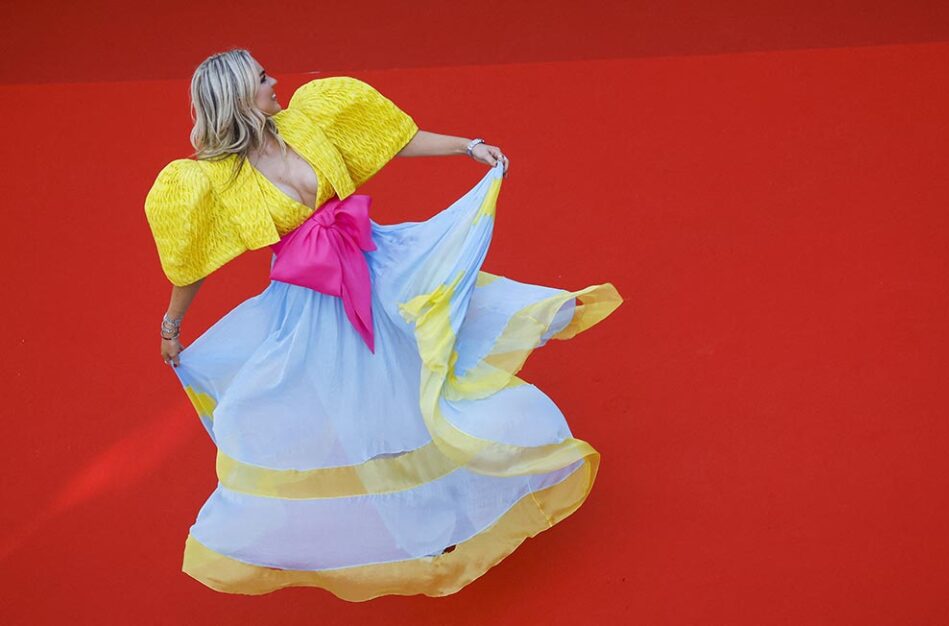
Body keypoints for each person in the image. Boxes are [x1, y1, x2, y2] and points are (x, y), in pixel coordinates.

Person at [144, 48, 623, 601]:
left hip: (380, 265)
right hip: (316, 305)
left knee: (435, 362)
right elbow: (192, 264)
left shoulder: (309, 118)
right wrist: (171, 326)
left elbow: (394, 140)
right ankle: (412, 529)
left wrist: (467, 147)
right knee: (363, 413)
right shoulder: (213, 180)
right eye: (261, 78)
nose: (275, 81)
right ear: (236, 97)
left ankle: (497, 463)